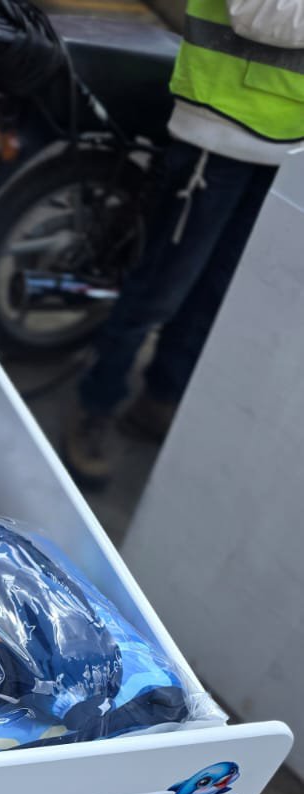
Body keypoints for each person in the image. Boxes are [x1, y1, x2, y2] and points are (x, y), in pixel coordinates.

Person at [64, 0, 304, 487]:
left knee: (215, 293)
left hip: (287, 146)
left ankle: (160, 399)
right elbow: (253, 13)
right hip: (221, 129)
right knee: (159, 290)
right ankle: (95, 406)